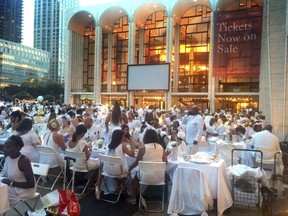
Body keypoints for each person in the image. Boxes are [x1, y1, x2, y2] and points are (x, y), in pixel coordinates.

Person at [126, 129, 170, 205]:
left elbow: (137, 162)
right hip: (160, 178)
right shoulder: (161, 147)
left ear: (145, 137)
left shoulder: (143, 148)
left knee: (134, 176)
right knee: (139, 172)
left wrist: (129, 168)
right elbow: (165, 163)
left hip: (145, 177)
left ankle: (134, 198)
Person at [0, 135, 36, 207]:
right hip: (11, 185)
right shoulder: (9, 155)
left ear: (18, 148)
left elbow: (31, 184)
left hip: (24, 190)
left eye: (7, 147)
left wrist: (11, 183)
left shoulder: (24, 161)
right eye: (4, 146)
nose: (4, 149)